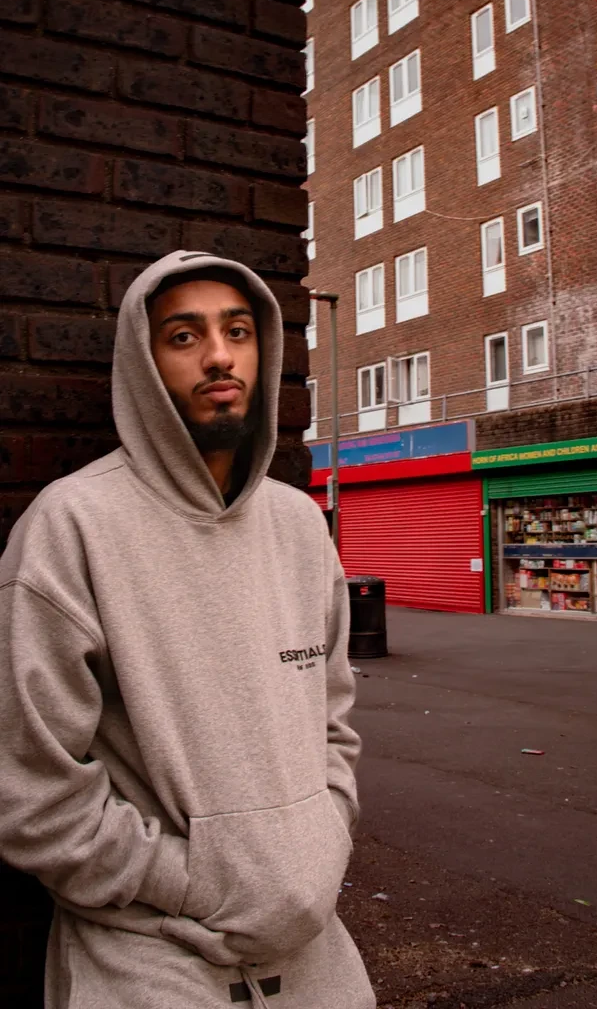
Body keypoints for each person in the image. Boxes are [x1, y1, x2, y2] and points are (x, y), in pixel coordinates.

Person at [0, 251, 375, 1009]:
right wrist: (196, 880)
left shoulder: (301, 526)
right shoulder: (72, 527)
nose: (217, 355)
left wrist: (320, 842)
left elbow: (332, 722)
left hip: (316, 956)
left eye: (238, 330)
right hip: (149, 957)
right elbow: (30, 792)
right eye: (183, 336)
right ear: (143, 362)